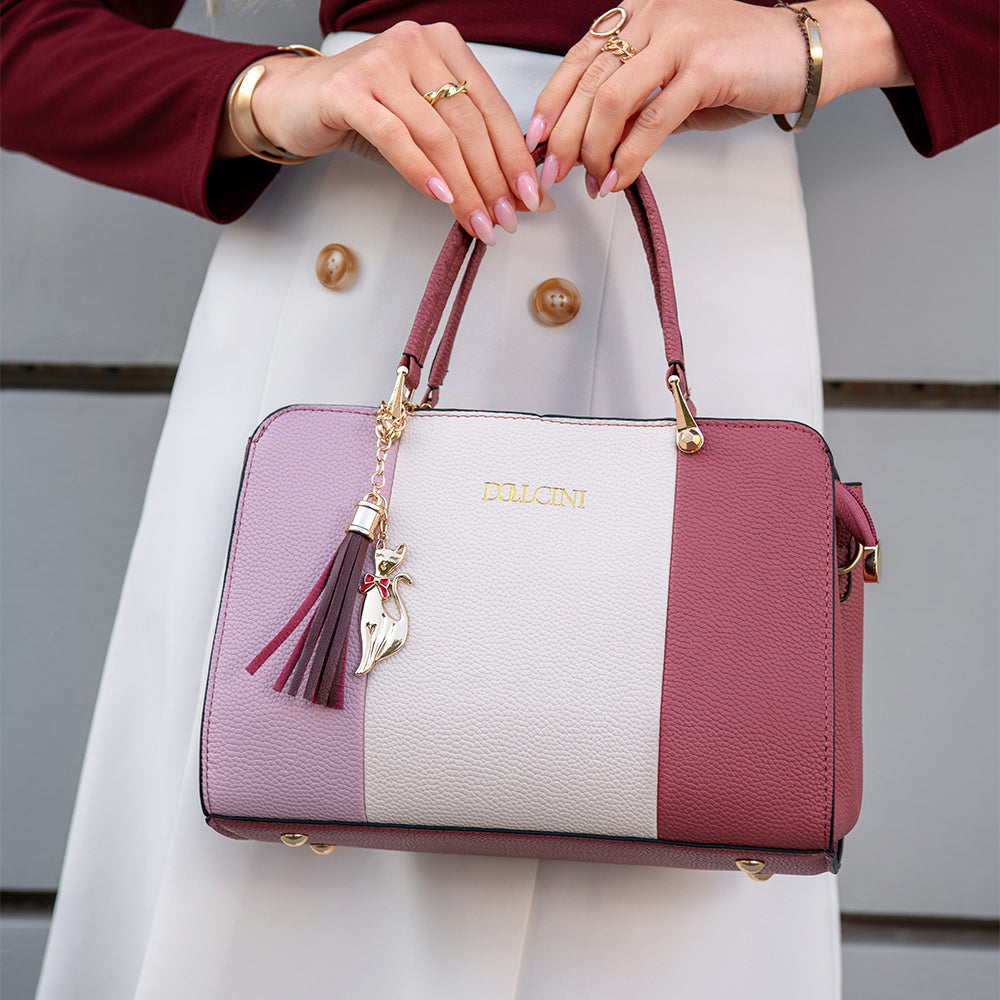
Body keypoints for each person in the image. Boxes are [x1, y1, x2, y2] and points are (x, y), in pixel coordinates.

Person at [2, 2, 996, 997]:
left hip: (691, 276)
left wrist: (822, 41)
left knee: (675, 866)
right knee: (284, 898)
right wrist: (271, 91)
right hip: (370, 260)